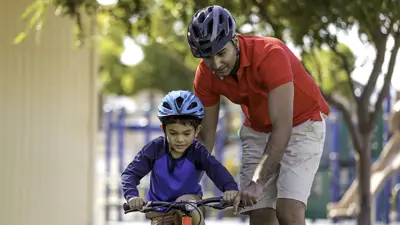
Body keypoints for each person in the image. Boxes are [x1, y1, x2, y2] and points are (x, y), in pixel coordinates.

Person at [186, 5, 330, 225]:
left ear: (233, 39)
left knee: (288, 211)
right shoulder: (205, 75)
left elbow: (282, 128)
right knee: (260, 215)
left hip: (302, 124)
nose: (216, 64)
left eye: (221, 53)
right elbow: (205, 138)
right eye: (208, 58)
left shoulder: (271, 54)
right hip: (257, 128)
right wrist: (187, 186)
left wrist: (257, 181)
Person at [121, 90, 239, 225]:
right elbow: (130, 173)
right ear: (163, 129)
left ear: (197, 131)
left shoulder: (198, 152)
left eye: (186, 133)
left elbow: (216, 170)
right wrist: (132, 196)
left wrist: (230, 188)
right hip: (160, 211)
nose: (180, 139)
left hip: (192, 206)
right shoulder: (155, 149)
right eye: (173, 133)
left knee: (185, 202)